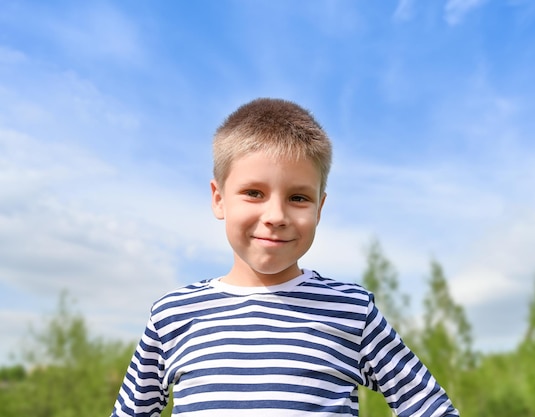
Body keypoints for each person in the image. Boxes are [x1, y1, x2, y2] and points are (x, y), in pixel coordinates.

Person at [111, 98, 459, 417]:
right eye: (253, 193)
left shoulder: (353, 311)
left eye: (298, 198)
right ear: (219, 199)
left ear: (319, 207)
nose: (276, 215)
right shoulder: (171, 315)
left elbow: (429, 407)